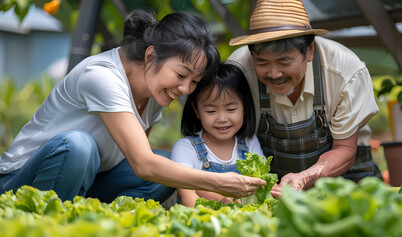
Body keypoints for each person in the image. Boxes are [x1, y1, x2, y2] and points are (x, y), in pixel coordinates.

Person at [0, 10, 265, 203]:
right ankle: (49, 221)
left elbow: (140, 161)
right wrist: (219, 181)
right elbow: (141, 163)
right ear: (151, 56)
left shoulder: (154, 91)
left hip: (89, 180)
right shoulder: (102, 76)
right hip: (19, 183)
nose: (185, 90)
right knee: (78, 146)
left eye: (195, 81)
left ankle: (94, 217)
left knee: (165, 166)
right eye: (181, 75)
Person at [226, 0, 382, 197]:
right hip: (274, 189)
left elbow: (344, 149)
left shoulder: (346, 71)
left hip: (349, 177)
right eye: (262, 62)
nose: (274, 74)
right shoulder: (238, 71)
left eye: (284, 61)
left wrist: (305, 178)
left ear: (309, 50)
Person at [170, 63, 266, 207]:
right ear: (196, 110)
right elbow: (187, 197)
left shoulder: (249, 142)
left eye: (231, 109)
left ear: (245, 108)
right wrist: (222, 203)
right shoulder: (186, 148)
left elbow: (261, 186)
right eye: (211, 111)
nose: (222, 118)